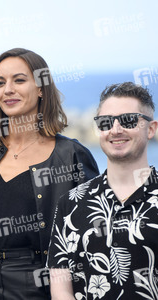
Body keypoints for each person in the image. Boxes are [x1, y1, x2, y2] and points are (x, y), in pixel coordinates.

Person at [0, 48, 99, 299]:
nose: (7, 90)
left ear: (41, 88)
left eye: (19, 80)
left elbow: (91, 236)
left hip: (37, 283)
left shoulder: (71, 155)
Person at [48, 82, 158, 299]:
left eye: (128, 120)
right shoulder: (70, 204)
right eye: (106, 122)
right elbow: (60, 288)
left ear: (151, 129)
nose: (116, 130)